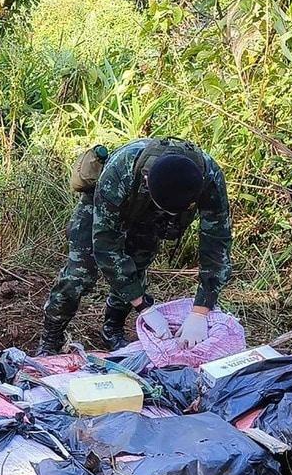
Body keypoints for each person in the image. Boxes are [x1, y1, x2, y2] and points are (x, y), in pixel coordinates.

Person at [38, 137, 232, 354]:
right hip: (105, 205)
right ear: (147, 180)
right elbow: (105, 246)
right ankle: (50, 339)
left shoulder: (210, 179)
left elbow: (217, 248)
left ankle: (112, 330)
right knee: (79, 274)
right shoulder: (120, 172)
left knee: (136, 266)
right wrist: (144, 307)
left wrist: (200, 312)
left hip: (150, 216)